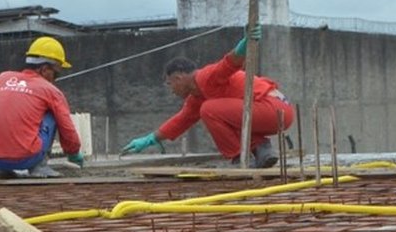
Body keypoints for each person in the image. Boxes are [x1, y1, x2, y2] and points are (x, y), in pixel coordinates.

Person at [122, 25, 294, 168]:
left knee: (210, 110)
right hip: (276, 110)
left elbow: (229, 64)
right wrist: (151, 139)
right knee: (220, 114)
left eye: (170, 84)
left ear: (178, 78)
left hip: (272, 107)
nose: (171, 90)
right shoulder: (198, 97)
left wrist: (245, 43)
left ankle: (239, 158)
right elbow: (181, 120)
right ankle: (262, 149)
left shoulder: (205, 77)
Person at [0, 36, 84, 179]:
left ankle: (1, 170)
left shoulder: (2, 78)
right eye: (56, 73)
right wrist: (74, 153)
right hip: (27, 157)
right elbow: (67, 128)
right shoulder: (50, 90)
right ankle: (40, 166)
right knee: (52, 114)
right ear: (45, 69)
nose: (56, 78)